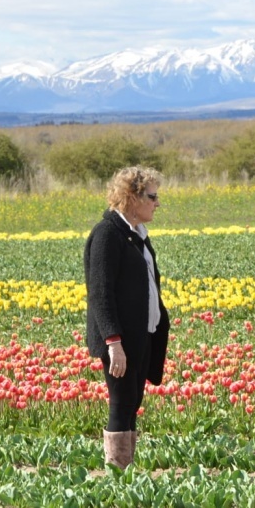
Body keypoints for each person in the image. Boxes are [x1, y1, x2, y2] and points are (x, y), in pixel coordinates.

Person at [84, 166, 170, 470]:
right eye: (152, 196)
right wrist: (113, 342)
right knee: (121, 404)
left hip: (141, 334)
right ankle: (118, 475)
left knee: (133, 402)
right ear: (131, 197)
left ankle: (126, 470)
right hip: (119, 340)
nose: (157, 202)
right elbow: (100, 293)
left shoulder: (137, 235)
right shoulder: (108, 234)